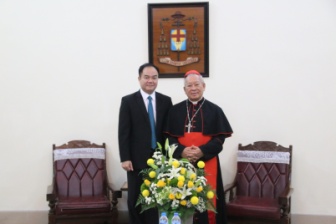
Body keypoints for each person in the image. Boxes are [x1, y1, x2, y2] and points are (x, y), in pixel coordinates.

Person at [164, 70, 233, 224]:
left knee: (208, 199)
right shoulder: (175, 111)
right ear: (184, 89)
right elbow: (168, 137)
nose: (193, 88)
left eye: (197, 84)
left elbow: (220, 138)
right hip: (181, 163)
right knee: (180, 198)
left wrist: (203, 151)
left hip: (207, 161)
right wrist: (182, 151)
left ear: (204, 86)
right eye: (189, 85)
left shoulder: (215, 110)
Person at [118, 63, 173, 224]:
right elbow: (123, 132)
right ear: (139, 79)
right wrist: (125, 157)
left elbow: (168, 132)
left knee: (158, 197)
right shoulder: (128, 101)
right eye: (146, 77)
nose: (151, 81)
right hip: (135, 160)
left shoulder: (165, 101)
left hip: (160, 160)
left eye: (154, 77)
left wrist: (170, 157)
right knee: (136, 198)